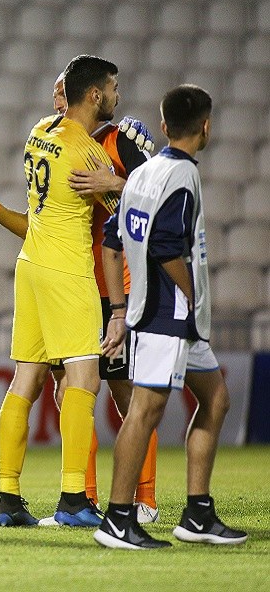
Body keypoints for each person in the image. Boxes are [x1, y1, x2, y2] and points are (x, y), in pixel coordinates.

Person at [0, 72, 162, 525]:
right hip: (73, 277)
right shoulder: (89, 151)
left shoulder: (40, 133)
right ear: (95, 94)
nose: (56, 97)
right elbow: (142, 211)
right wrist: (126, 181)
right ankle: (76, 500)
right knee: (81, 385)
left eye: (61, 89)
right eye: (113, 88)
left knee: (32, 382)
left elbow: (41, 219)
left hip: (41, 269)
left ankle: (10, 498)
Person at [94, 85, 248, 549]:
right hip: (168, 312)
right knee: (145, 411)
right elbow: (165, 247)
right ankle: (118, 519)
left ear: (163, 126)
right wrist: (192, 293)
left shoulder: (142, 174)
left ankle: (197, 513)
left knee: (215, 398)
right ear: (206, 127)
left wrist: (118, 310)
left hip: (166, 314)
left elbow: (111, 243)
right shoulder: (182, 176)